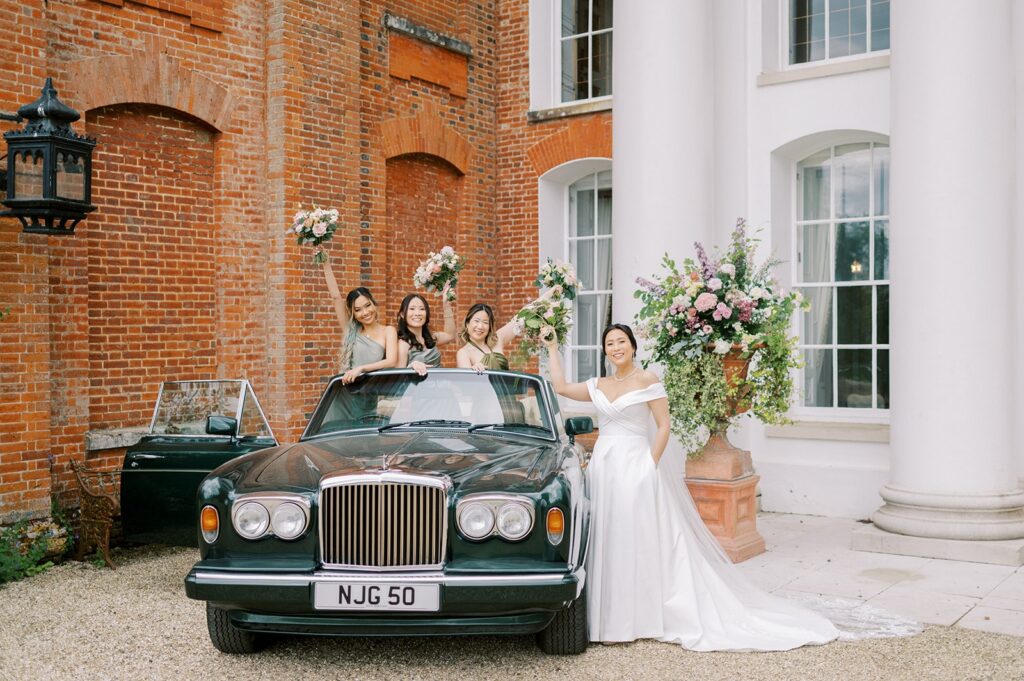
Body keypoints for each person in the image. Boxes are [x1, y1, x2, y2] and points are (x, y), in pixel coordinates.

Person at [541, 323, 840, 651]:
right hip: (604, 467)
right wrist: (553, 347)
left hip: (635, 466)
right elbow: (560, 386)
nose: (616, 348)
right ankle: (610, 617)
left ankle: (636, 618)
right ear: (605, 350)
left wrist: (648, 465)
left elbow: (664, 425)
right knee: (609, 536)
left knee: (635, 538)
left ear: (633, 346)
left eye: (621, 341)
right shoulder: (599, 384)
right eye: (610, 343)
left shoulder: (648, 380)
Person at [322, 263, 397, 384]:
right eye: (358, 310)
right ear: (353, 314)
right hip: (347, 390)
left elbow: (391, 361)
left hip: (371, 391)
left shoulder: (388, 331)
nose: (365, 312)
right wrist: (325, 263)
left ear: (373, 303)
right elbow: (335, 297)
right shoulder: (352, 331)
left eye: (367, 305)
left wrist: (361, 369)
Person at [396, 287, 457, 375]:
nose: (417, 313)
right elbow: (398, 376)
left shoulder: (431, 338)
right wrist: (411, 366)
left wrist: (446, 304)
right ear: (402, 314)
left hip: (439, 384)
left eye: (422, 309)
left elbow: (450, 335)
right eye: (412, 309)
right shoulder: (403, 344)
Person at [455, 303, 516, 372]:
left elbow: (520, 320)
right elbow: (466, 381)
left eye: (485, 322)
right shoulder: (464, 353)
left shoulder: (497, 339)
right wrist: (473, 370)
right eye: (476, 321)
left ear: (490, 327)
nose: (480, 326)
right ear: (467, 324)